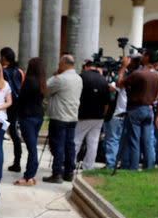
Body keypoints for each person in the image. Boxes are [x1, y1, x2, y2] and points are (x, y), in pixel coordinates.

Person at [117, 49, 158, 170]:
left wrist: (123, 67)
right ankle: (148, 168)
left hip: (136, 109)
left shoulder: (138, 73)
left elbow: (119, 83)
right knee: (147, 142)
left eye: (143, 55)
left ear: (147, 57)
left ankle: (133, 168)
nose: (140, 57)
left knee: (134, 140)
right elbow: (157, 95)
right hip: (149, 109)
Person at [42, 55, 82, 183]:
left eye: (59, 64)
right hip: (72, 116)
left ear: (65, 64)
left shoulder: (60, 78)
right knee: (69, 145)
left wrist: (54, 75)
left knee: (58, 145)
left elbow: (45, 88)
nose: (58, 66)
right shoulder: (78, 78)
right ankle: (69, 171)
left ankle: (57, 173)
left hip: (59, 117)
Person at [14, 58, 46, 186]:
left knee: (32, 148)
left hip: (27, 117)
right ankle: (31, 175)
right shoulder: (41, 81)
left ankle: (28, 176)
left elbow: (21, 99)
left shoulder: (29, 81)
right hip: (38, 116)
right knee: (32, 147)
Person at [74, 61, 110, 171]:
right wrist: (103, 114)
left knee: (76, 140)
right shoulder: (103, 80)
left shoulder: (82, 77)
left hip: (83, 115)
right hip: (98, 116)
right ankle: (89, 166)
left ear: (86, 67)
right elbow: (107, 102)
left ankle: (70, 163)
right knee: (93, 142)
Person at [0, 47, 24, 172]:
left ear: (4, 57)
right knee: (15, 135)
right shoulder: (19, 71)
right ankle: (17, 161)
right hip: (16, 107)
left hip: (3, 107)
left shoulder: (2, 71)